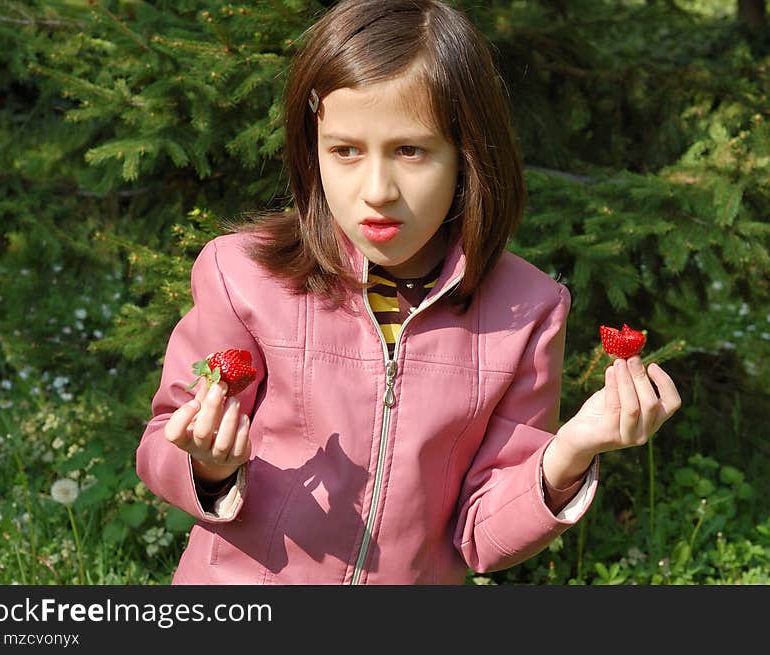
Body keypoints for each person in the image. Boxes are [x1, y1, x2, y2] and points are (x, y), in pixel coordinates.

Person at [136, 0, 681, 585]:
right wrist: (207, 465)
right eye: (344, 151)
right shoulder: (243, 275)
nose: (376, 190)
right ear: (311, 150)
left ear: (467, 157)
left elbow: (483, 538)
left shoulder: (528, 311)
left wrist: (569, 451)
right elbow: (163, 439)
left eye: (410, 151)